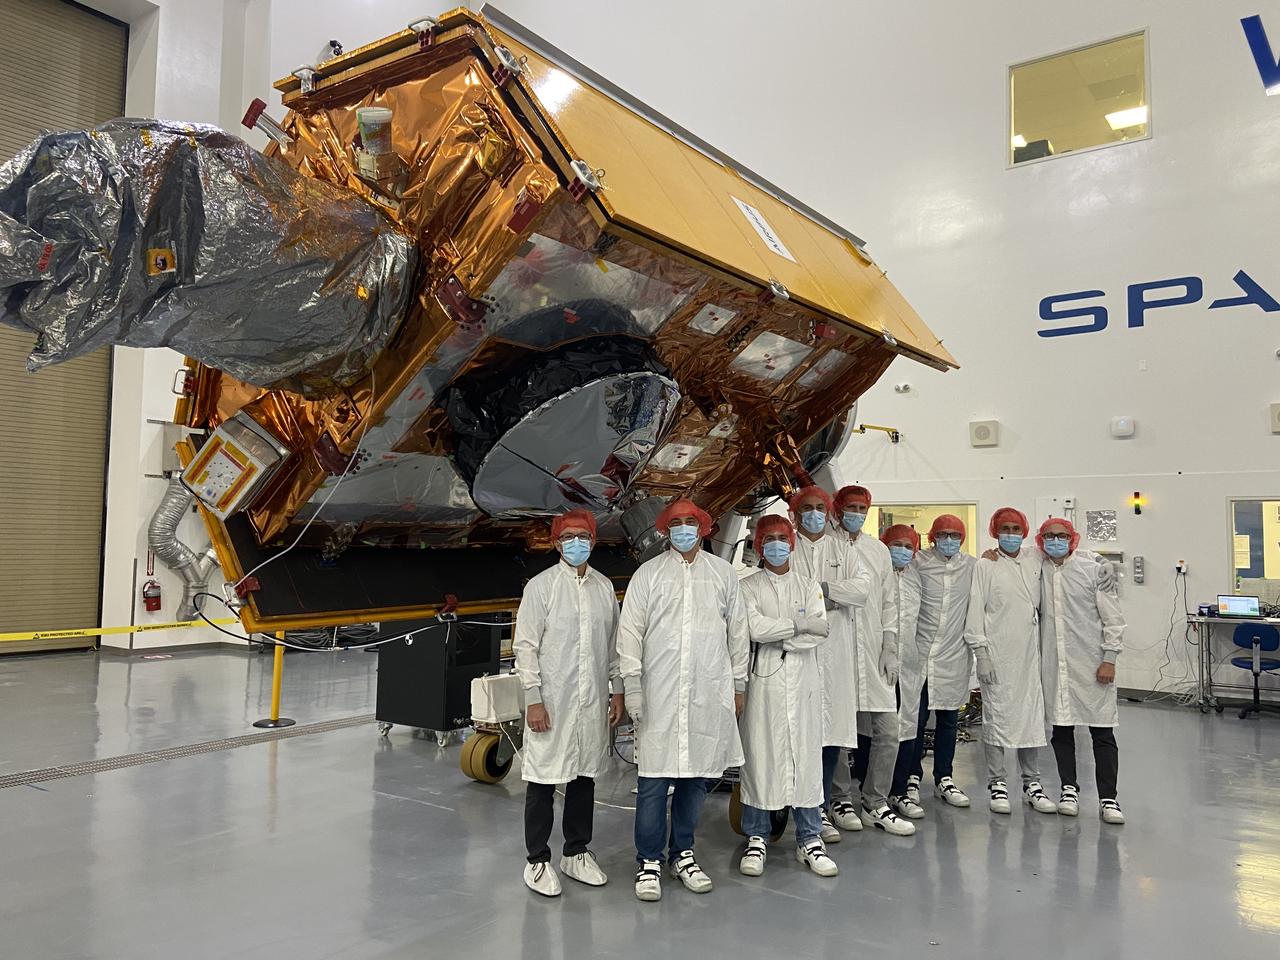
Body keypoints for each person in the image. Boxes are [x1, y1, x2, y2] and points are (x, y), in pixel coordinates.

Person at [617, 497, 750, 902]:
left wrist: (738, 685)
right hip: (659, 693)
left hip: (707, 692)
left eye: (691, 522)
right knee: (654, 780)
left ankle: (683, 854)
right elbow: (630, 635)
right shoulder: (648, 575)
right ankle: (649, 861)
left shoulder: (723, 576)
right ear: (665, 529)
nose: (684, 529)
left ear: (705, 527)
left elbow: (738, 634)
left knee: (696, 778)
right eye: (676, 523)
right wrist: (633, 686)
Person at [514, 509, 625, 897]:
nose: (577, 542)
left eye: (584, 536)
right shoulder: (541, 588)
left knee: (583, 776)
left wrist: (618, 689)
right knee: (543, 779)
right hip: (552, 700)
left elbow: (612, 646)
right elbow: (525, 647)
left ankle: (576, 852)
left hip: (591, 700)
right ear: (556, 542)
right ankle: (538, 860)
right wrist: (534, 700)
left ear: (594, 541)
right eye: (569, 536)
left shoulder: (603, 588)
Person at [737, 515, 839, 878]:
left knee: (805, 756)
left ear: (791, 544)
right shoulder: (747, 587)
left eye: (782, 538)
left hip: (804, 683)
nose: (776, 544)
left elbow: (820, 631)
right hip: (765, 682)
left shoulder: (808, 584)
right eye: (770, 539)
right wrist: (797, 625)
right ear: (759, 545)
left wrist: (781, 633)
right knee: (761, 754)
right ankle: (756, 836)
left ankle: (810, 838)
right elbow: (754, 628)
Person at [788, 485, 870, 841]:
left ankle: (820, 809)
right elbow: (783, 596)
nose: (815, 514)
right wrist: (831, 597)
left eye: (821, 507)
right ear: (795, 513)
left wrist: (820, 590)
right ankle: (790, 808)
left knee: (828, 737)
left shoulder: (843, 549)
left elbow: (862, 590)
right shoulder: (785, 547)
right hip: (796, 655)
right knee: (795, 736)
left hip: (834, 654)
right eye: (807, 507)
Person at [965, 507, 1057, 816]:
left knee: (1031, 719)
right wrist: (982, 654)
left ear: (1026, 531)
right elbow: (976, 610)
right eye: (1005, 528)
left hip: (1030, 657)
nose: (1011, 533)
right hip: (998, 655)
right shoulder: (986, 565)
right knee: (997, 719)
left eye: (1016, 528)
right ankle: (998, 783)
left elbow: (1067, 550)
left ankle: (1032, 783)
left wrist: (1101, 564)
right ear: (994, 531)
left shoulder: (1035, 558)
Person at [835, 485, 914, 836]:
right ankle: (838, 799)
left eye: (861, 508)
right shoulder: (827, 546)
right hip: (836, 651)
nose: (856, 513)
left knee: (888, 731)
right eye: (849, 507)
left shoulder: (877, 549)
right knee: (838, 730)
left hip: (873, 653)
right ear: (837, 509)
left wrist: (890, 645)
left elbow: (889, 602)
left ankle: (875, 799)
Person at [1037, 518, 1127, 824]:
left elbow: (1113, 618)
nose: (1055, 541)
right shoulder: (1039, 568)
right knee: (1061, 730)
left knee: (1101, 732)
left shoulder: (1092, 570)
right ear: (1040, 540)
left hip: (1091, 662)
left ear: (1073, 539)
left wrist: (1109, 658)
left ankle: (1108, 799)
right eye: (1049, 536)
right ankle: (1068, 789)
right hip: (1055, 663)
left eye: (1062, 536)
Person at [907, 515, 976, 812]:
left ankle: (944, 778)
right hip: (919, 655)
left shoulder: (973, 566)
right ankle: (911, 776)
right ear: (933, 536)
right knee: (916, 720)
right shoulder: (918, 563)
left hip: (953, 655)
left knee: (949, 721)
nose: (949, 540)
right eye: (943, 534)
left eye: (954, 534)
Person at [881, 524, 926, 821]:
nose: (902, 550)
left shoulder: (917, 580)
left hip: (910, 665)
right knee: (880, 730)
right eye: (896, 544)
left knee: (907, 725)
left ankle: (899, 791)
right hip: (879, 661)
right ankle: (874, 793)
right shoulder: (877, 576)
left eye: (908, 546)